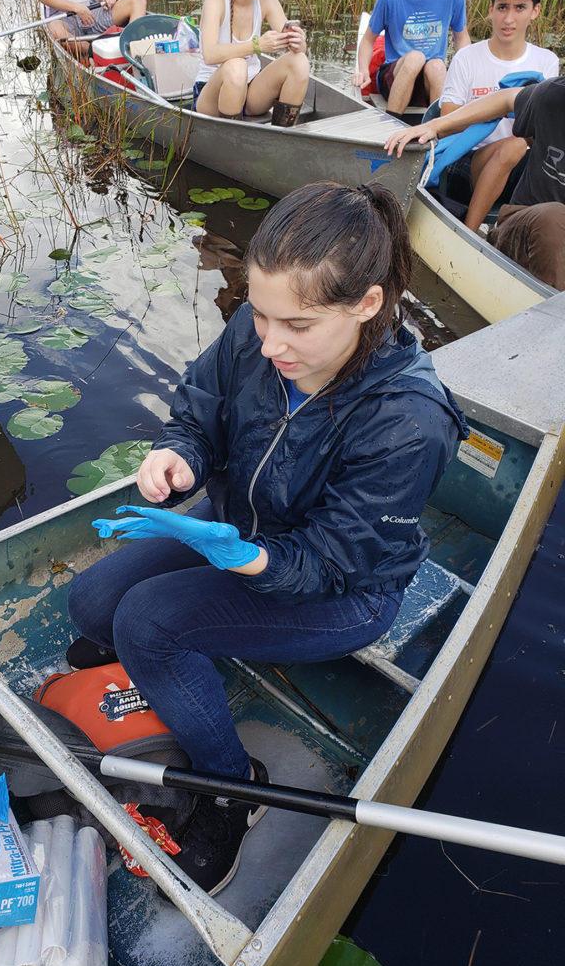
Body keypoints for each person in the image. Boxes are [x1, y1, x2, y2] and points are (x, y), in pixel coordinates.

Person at [65, 181, 467, 897]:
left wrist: (243, 557)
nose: (270, 343)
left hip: (343, 590)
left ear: (368, 304)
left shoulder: (408, 419)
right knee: (92, 603)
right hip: (243, 531)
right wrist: (178, 458)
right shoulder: (260, 335)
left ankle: (232, 787)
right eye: (258, 313)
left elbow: (336, 561)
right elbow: (198, 409)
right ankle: (169, 663)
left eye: (299, 327)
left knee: (146, 624)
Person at [384, 76, 565, 290]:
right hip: (527, 228)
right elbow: (506, 99)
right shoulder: (554, 95)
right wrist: (435, 126)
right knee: (555, 217)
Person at [438, 0, 558, 231]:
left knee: (527, 150)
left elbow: (543, 134)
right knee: (513, 145)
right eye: (502, 7)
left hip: (522, 169)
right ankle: (469, 233)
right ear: (491, 10)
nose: (508, 19)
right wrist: (502, 106)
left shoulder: (546, 61)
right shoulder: (466, 57)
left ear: (535, 11)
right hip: (468, 163)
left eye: (520, 8)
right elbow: (446, 123)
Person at [192, 0, 310, 126]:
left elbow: (296, 43)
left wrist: (299, 43)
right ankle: (231, 142)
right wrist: (257, 45)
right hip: (212, 95)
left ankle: (283, 138)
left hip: (252, 91)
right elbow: (209, 55)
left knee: (299, 62)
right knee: (237, 66)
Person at [352, 0, 470, 117]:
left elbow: (461, 37)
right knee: (416, 57)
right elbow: (368, 40)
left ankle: (439, 132)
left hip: (429, 80)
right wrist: (363, 70)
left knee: (437, 65)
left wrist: (466, 74)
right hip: (394, 75)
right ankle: (390, 124)